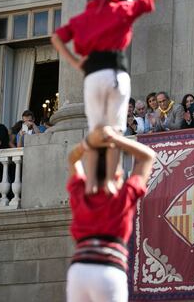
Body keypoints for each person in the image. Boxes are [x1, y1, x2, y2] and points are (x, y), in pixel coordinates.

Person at [51, 0, 159, 195]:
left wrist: (75, 62)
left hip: (92, 76)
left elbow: (56, 37)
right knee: (114, 132)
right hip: (116, 73)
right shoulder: (122, 8)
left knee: (95, 133)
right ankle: (110, 179)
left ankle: (91, 181)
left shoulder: (84, 17)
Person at [66, 126, 155, 302]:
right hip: (109, 270)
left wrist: (88, 143)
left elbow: (71, 159)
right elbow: (148, 157)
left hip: (79, 271)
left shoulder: (81, 192)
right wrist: (114, 138)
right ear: (118, 172)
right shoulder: (124, 195)